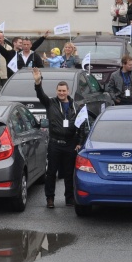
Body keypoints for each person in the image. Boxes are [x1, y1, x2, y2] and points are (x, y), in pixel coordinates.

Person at [32, 68, 85, 208]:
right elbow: (40, 95)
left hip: (70, 144)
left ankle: (69, 198)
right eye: (59, 91)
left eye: (64, 91)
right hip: (55, 143)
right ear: (57, 91)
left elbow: (82, 126)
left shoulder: (76, 106)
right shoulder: (50, 103)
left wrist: (79, 142)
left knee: (69, 173)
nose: (61, 93)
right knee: (51, 173)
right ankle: (50, 198)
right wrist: (38, 83)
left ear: (68, 91)